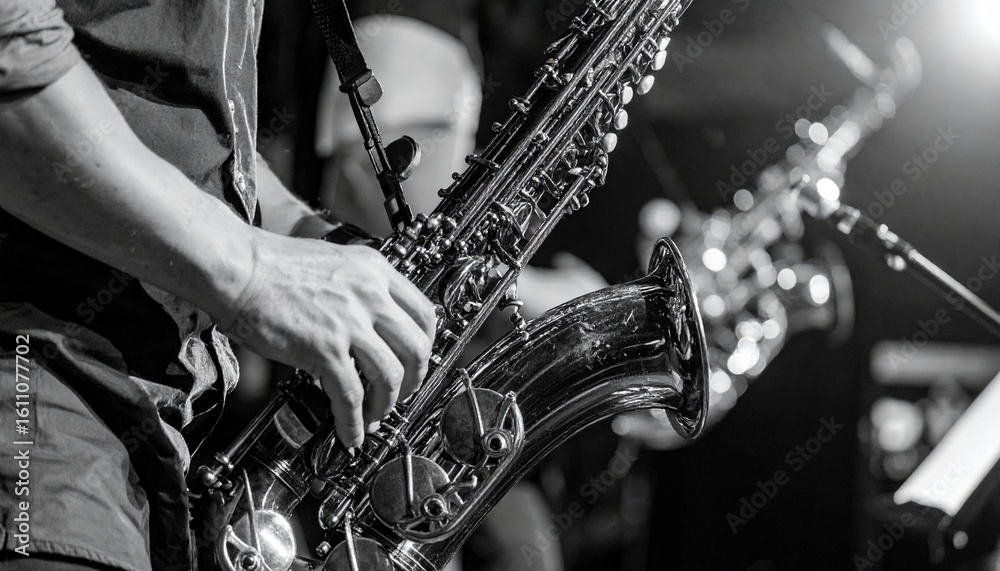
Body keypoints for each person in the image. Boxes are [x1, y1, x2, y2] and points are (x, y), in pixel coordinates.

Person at [0, 2, 435, 570]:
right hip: (41, 398)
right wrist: (253, 272)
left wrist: (312, 243)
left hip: (143, 445)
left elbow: (164, 125)